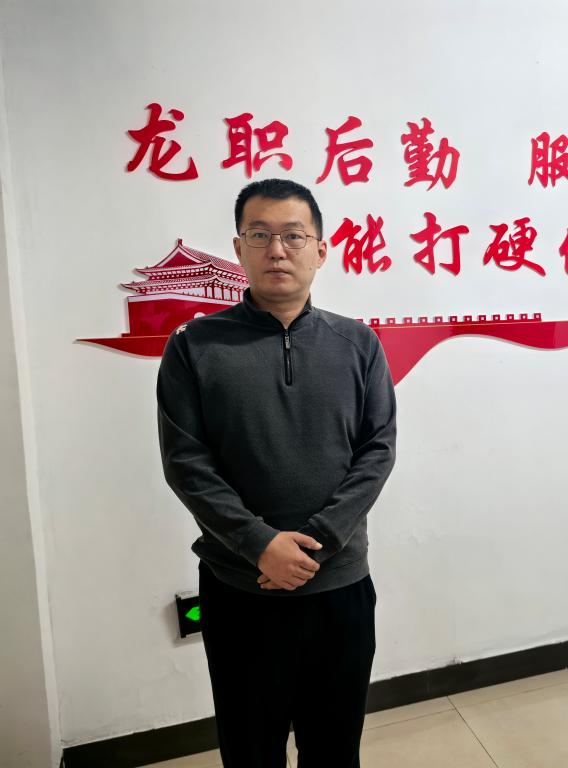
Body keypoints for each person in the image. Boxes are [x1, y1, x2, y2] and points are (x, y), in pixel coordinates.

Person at [157, 178, 397, 767]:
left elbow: (377, 450)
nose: (278, 250)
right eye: (260, 235)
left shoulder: (358, 343)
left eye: (294, 235)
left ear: (321, 249)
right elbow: (187, 463)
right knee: (250, 750)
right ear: (238, 249)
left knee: (334, 749)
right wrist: (260, 545)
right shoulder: (194, 345)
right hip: (240, 589)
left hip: (338, 586)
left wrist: (318, 543)